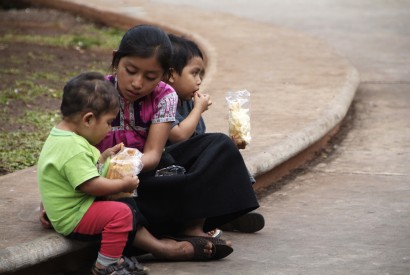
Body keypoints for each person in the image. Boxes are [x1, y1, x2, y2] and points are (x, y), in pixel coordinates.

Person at [38, 71, 231, 275]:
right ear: (88, 119)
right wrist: (123, 185)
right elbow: (91, 185)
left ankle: (117, 257)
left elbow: (78, 172)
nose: (108, 130)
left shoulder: (64, 138)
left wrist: (103, 158)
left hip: (71, 209)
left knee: (123, 207)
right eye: (107, 123)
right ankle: (106, 265)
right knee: (121, 213)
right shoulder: (72, 148)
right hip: (73, 216)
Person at [96, 23, 260, 243]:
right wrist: (108, 172)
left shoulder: (165, 96)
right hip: (104, 180)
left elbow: (153, 156)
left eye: (150, 77)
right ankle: (190, 223)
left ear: (165, 75)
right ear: (116, 60)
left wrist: (126, 170)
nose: (137, 83)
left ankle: (194, 223)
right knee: (121, 201)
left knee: (220, 145)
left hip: (148, 176)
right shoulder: (96, 92)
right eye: (131, 71)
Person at [166, 34, 265, 235]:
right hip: (170, 164)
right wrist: (198, 110)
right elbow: (179, 137)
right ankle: (205, 221)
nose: (199, 81)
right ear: (171, 74)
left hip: (189, 160)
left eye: (201, 74)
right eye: (194, 74)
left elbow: (199, 139)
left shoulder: (187, 102)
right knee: (214, 150)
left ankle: (230, 212)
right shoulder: (164, 101)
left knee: (222, 150)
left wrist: (229, 145)